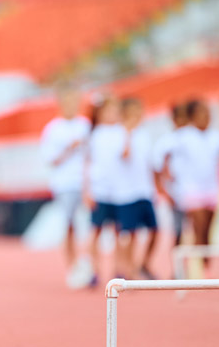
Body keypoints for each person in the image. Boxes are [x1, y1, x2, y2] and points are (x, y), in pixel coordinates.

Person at [169, 98, 219, 271]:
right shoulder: (183, 136)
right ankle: (194, 270)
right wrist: (166, 181)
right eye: (201, 114)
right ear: (192, 116)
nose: (206, 117)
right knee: (198, 230)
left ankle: (205, 268)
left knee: (207, 233)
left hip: (212, 190)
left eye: (208, 114)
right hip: (191, 190)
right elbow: (162, 156)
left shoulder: (217, 137)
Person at [40, 87, 91, 287]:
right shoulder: (53, 129)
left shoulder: (85, 125)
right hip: (65, 183)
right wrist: (69, 149)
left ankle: (88, 265)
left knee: (90, 226)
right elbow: (51, 160)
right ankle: (72, 267)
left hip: (86, 183)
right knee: (70, 225)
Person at [110, 97, 159, 280]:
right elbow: (124, 155)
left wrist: (157, 187)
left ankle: (143, 264)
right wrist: (127, 134)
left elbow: (150, 164)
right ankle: (128, 269)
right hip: (125, 193)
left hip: (144, 191)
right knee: (129, 234)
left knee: (155, 230)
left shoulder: (144, 134)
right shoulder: (117, 134)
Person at [84, 95, 123, 285]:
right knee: (96, 231)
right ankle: (94, 270)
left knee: (119, 231)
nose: (112, 114)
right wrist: (87, 190)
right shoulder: (95, 135)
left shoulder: (122, 132)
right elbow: (87, 164)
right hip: (100, 190)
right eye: (108, 110)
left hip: (119, 191)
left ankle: (118, 269)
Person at [153, 103, 189, 246]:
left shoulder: (192, 138)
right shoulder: (167, 142)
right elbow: (158, 167)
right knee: (178, 230)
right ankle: (178, 266)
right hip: (177, 192)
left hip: (194, 192)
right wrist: (163, 190)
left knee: (195, 231)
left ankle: (196, 267)